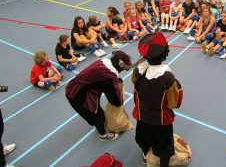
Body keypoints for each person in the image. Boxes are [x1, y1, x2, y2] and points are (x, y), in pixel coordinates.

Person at [132, 32, 183, 166]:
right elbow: (174, 103)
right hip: (160, 121)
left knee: (144, 139)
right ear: (164, 53)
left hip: (142, 116)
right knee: (164, 147)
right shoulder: (168, 77)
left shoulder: (138, 72)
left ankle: (145, 156)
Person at [65, 50, 133, 141]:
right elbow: (114, 100)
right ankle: (103, 135)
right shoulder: (110, 76)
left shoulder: (102, 62)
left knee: (92, 112)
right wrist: (120, 101)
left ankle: (94, 122)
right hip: (79, 95)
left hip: (74, 87)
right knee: (98, 115)